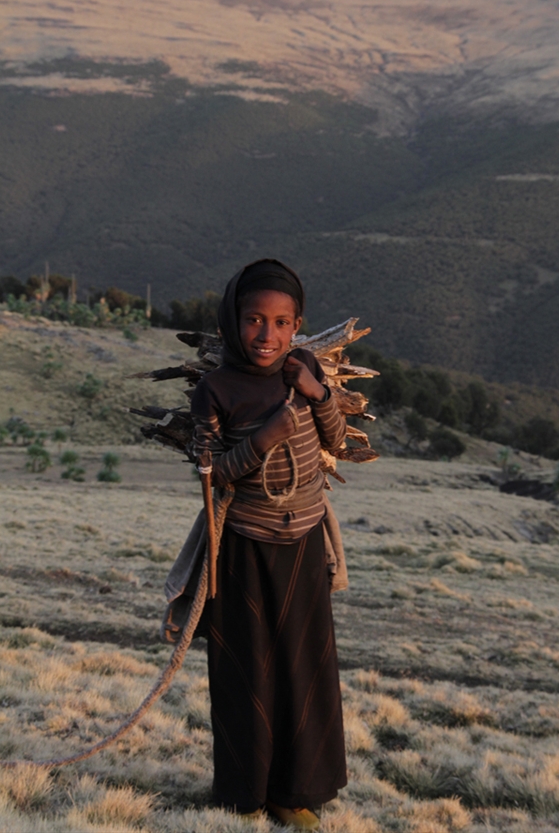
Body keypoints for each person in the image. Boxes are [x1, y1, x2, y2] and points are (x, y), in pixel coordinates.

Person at [189, 258, 348, 830]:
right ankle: (246, 794)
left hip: (302, 541)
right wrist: (262, 440)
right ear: (233, 322)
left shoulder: (303, 368)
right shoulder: (215, 389)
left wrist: (317, 391)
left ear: (297, 325)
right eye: (254, 319)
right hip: (244, 547)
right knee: (246, 670)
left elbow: (337, 440)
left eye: (282, 323)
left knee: (304, 667)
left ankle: (295, 793)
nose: (267, 334)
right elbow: (212, 475)